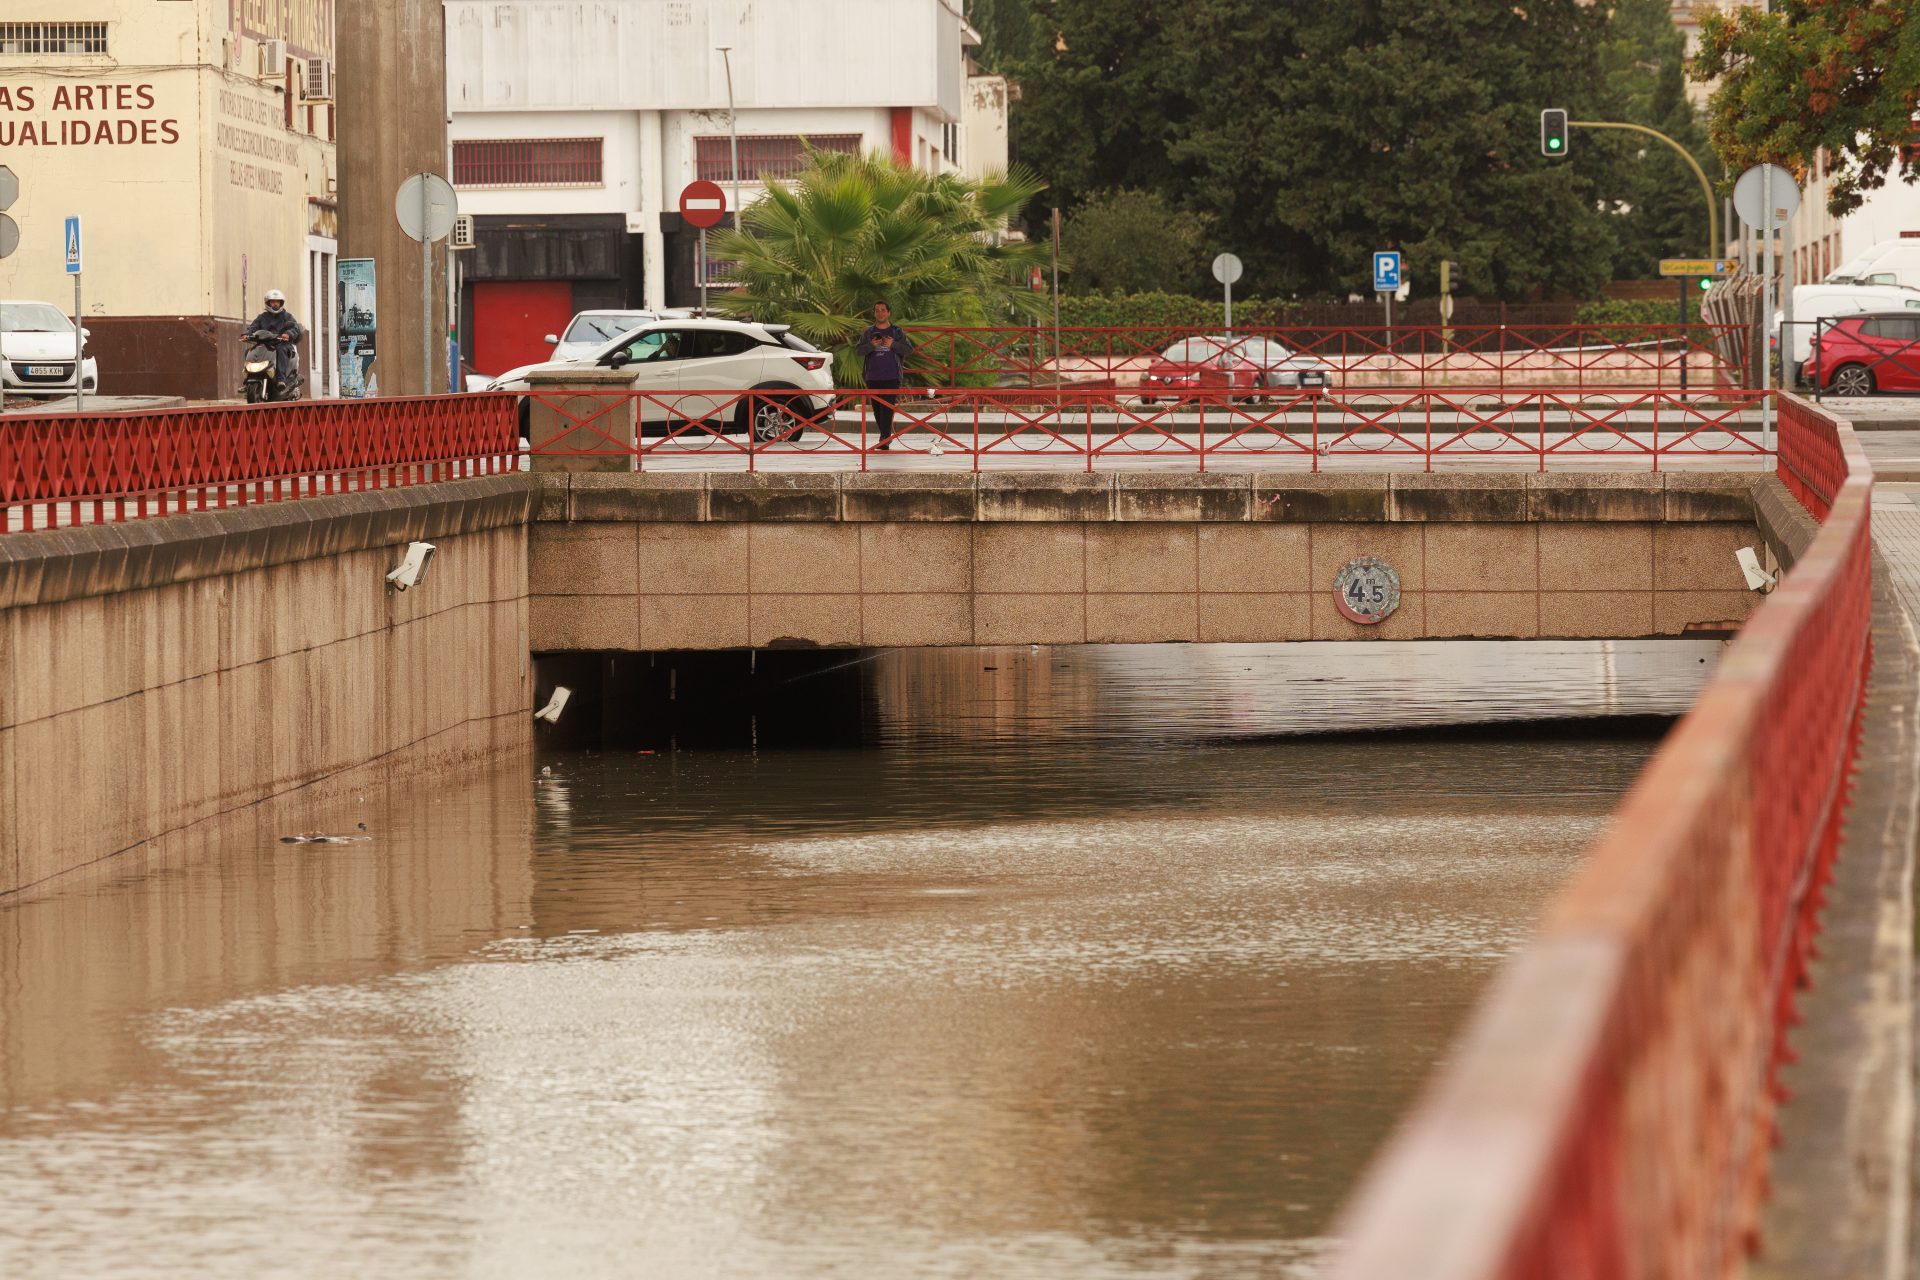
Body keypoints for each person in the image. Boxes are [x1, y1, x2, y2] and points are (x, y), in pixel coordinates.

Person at [855, 301, 914, 450]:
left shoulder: (897, 331)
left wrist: (892, 344)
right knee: (877, 409)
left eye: (883, 310)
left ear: (889, 313)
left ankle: (885, 439)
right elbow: (858, 351)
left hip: (892, 376)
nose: (880, 313)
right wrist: (872, 346)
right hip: (872, 377)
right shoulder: (868, 332)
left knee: (887, 408)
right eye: (877, 310)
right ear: (874, 313)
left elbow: (908, 350)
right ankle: (885, 436)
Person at [246, 288, 304, 398]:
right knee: (249, 351)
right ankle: (248, 378)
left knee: (281, 350)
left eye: (277, 302)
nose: (275, 304)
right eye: (273, 302)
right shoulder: (262, 317)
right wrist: (247, 334)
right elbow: (253, 327)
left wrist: (288, 334)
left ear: (281, 303)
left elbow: (294, 327)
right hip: (266, 343)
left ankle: (280, 379)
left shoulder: (287, 316)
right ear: (268, 303)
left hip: (282, 343)